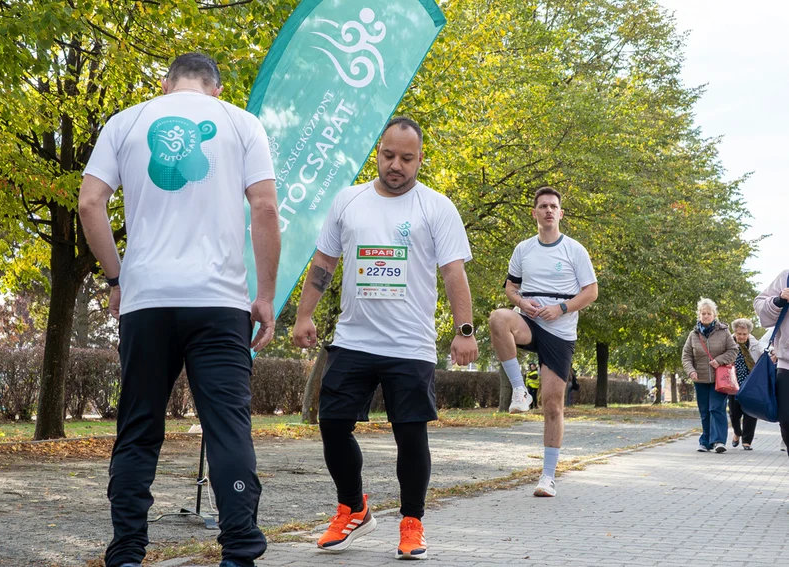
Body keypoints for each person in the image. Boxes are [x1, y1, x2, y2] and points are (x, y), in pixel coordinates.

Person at [78, 53, 281, 567]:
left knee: (139, 425)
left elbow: (89, 203)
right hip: (218, 302)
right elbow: (265, 208)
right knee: (227, 427)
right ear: (216, 89)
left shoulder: (125, 122)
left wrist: (117, 277)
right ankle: (238, 549)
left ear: (165, 85)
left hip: (147, 301)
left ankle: (126, 552)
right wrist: (265, 295)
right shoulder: (241, 123)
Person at [292, 117, 478, 560]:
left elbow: (454, 273)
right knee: (332, 425)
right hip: (354, 339)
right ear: (378, 152)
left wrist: (464, 330)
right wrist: (303, 315)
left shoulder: (436, 207)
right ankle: (353, 508)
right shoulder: (348, 200)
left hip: (409, 344)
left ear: (419, 160)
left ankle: (412, 523)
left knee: (410, 436)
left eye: (407, 159)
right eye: (388, 155)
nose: (396, 165)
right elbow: (324, 262)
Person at [489, 187, 598, 497]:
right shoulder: (523, 249)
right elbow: (511, 288)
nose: (549, 210)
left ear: (561, 213)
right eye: (543, 206)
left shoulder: (575, 250)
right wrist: (522, 304)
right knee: (498, 318)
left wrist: (561, 308)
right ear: (534, 213)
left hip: (560, 331)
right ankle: (520, 390)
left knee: (552, 405)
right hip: (529, 321)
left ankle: (547, 477)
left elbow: (591, 292)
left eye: (554, 206)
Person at [681, 298, 738, 454]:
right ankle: (705, 442)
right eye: (703, 313)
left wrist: (718, 361)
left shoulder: (723, 331)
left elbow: (733, 351)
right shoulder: (693, 334)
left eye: (708, 313)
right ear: (699, 315)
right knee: (705, 411)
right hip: (700, 378)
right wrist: (691, 370)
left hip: (720, 378)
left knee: (716, 408)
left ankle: (718, 441)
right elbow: (686, 356)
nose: (705, 316)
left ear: (714, 315)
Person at [754, 269, 789, 458]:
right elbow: (759, 305)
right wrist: (779, 300)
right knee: (786, 418)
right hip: (786, 364)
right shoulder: (787, 277)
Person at [728, 318, 763, 449]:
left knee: (751, 412)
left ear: (748, 333)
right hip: (733, 383)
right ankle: (737, 432)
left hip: (750, 384)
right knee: (734, 412)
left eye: (744, 334)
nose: (741, 336)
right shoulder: (728, 344)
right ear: (735, 333)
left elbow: (764, 351)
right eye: (739, 334)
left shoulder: (755, 344)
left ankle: (747, 441)